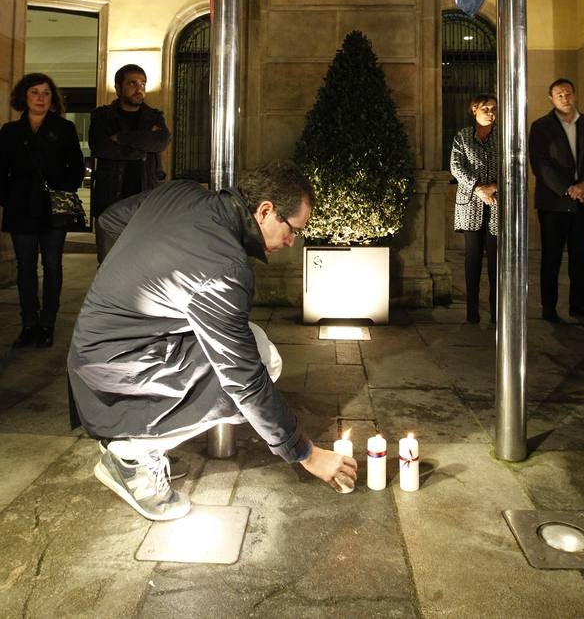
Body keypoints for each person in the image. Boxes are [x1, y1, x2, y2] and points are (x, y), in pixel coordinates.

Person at [67, 161, 357, 520]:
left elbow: (112, 219)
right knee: (262, 360)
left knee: (252, 341)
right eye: (293, 229)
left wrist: (124, 288)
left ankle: (144, 439)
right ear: (265, 211)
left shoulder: (181, 191)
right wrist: (306, 454)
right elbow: (245, 380)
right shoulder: (226, 269)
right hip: (115, 369)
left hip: (98, 349)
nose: (291, 241)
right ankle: (131, 456)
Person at [0, 73, 84, 348]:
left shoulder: (64, 128)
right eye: (35, 92)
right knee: (25, 268)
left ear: (52, 98)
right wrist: (8, 197)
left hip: (53, 209)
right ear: (24, 96)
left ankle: (47, 323)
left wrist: (62, 188)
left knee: (52, 266)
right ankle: (28, 324)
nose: (40, 97)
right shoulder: (10, 131)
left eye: (46, 93)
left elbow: (76, 168)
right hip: (21, 207)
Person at [529, 78, 584, 323]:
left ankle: (582, 306)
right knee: (551, 256)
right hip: (554, 204)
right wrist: (567, 189)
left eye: (568, 93)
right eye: (559, 94)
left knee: (580, 256)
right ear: (551, 99)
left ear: (574, 95)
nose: (565, 97)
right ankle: (549, 308)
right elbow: (540, 165)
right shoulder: (541, 126)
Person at [89, 63, 170, 262]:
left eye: (142, 83)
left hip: (146, 202)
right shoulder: (102, 116)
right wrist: (140, 147)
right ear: (118, 88)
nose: (139, 88)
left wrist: (122, 138)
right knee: (108, 262)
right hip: (110, 200)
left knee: (143, 263)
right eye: (132, 83)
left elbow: (160, 142)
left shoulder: (154, 116)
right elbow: (100, 147)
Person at [450, 94, 498, 324]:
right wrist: (478, 188)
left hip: (497, 203)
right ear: (474, 109)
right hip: (471, 203)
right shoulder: (463, 136)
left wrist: (493, 187)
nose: (491, 112)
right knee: (472, 258)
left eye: (494, 109)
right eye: (486, 108)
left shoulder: (502, 136)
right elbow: (456, 167)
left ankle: (497, 308)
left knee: (496, 259)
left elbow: (511, 165)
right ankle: (472, 310)